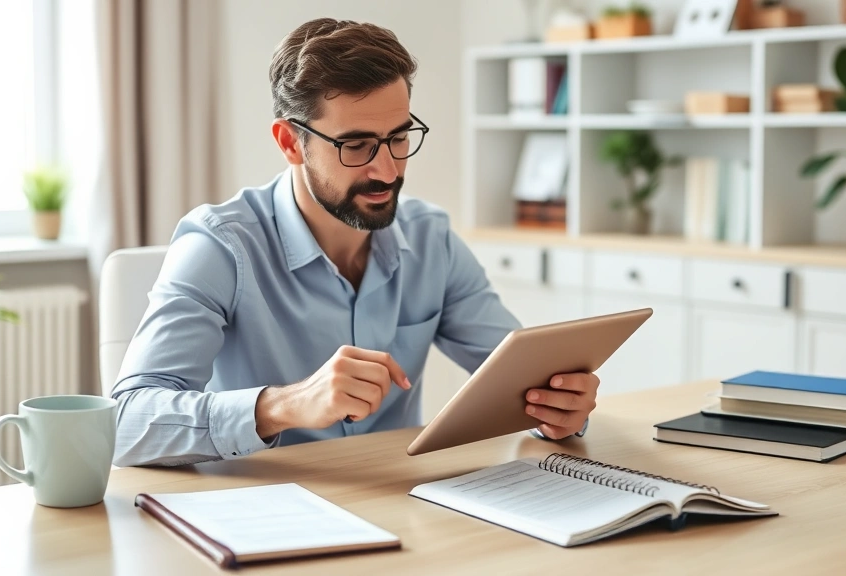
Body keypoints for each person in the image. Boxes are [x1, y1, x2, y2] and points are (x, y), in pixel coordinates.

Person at [111, 18, 598, 467]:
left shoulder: (432, 240)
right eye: (356, 145)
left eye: (399, 137)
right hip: (258, 523)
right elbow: (125, 424)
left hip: (401, 508)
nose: (386, 170)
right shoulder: (220, 247)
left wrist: (561, 409)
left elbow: (520, 379)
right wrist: (285, 405)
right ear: (289, 142)